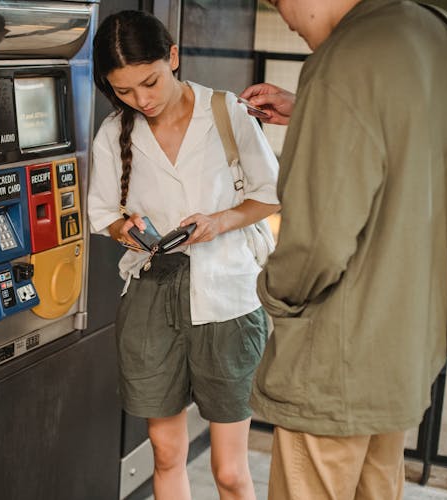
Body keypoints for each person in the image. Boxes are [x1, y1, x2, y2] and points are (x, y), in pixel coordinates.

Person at [240, 0, 447, 498]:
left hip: (335, 357)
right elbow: (407, 139)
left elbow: (316, 244)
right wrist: (312, 109)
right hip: (404, 342)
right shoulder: (436, 31)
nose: (284, 15)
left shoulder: (342, 58)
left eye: (282, 4)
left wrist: (274, 295)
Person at [88, 10, 280, 500]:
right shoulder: (115, 132)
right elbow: (103, 213)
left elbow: (271, 193)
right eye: (125, 91)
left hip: (228, 298)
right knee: (167, 453)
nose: (142, 100)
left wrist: (220, 221)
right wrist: (124, 229)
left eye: (149, 82)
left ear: (172, 56)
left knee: (230, 471)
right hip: (152, 296)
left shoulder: (227, 112)